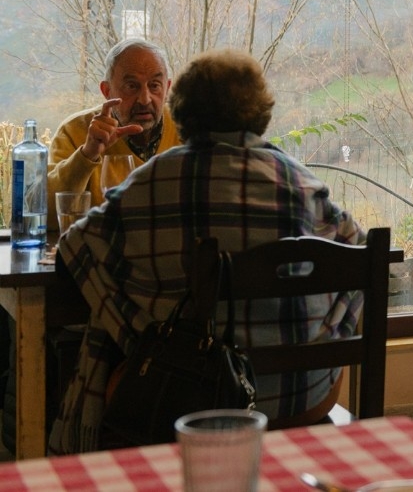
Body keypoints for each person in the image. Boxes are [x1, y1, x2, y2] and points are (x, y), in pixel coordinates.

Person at [49, 48, 365, 454]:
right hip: (298, 397)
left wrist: (132, 330)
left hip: (183, 397)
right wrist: (329, 332)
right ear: (260, 111)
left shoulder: (150, 182)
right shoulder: (300, 183)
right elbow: (362, 257)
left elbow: (74, 246)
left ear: (179, 106)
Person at [46, 38, 182, 206]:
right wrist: (88, 153)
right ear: (107, 91)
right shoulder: (75, 131)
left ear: (167, 88)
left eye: (154, 86)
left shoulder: (186, 126)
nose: (145, 99)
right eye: (132, 86)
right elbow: (49, 214)